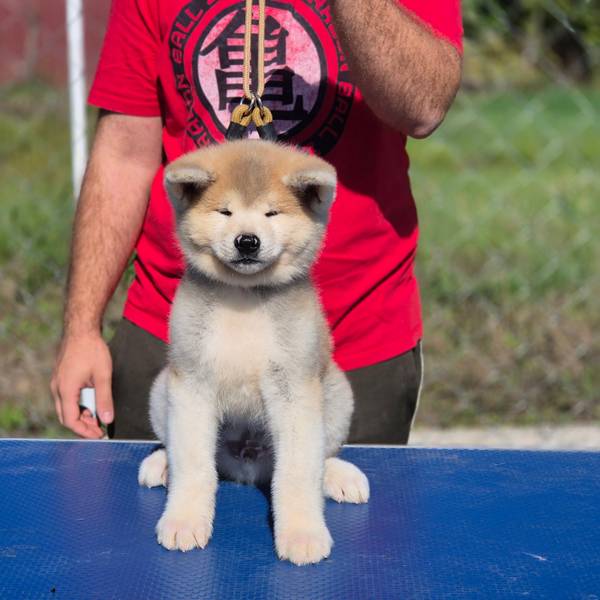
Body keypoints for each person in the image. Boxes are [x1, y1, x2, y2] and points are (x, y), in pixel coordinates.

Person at [51, 0, 462, 441]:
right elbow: (124, 152)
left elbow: (423, 108)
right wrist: (82, 329)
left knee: (343, 510)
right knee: (163, 507)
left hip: (348, 340)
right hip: (179, 329)